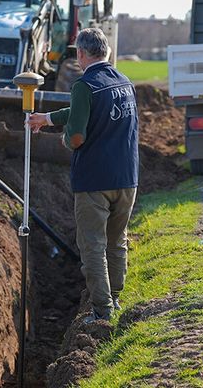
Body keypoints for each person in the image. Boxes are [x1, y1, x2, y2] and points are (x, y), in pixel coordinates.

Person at [27, 28, 138, 323]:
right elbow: (85, 111)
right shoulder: (124, 83)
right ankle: (114, 297)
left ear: (80, 54)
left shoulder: (84, 85)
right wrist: (46, 119)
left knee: (92, 245)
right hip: (127, 177)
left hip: (95, 180)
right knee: (117, 241)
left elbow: (76, 135)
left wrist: (64, 139)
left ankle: (102, 310)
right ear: (106, 51)